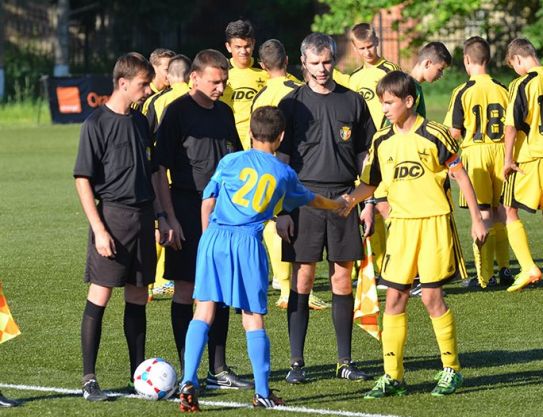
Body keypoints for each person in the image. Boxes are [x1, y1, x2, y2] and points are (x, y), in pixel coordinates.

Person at [178, 106, 349, 412]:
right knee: (252, 316)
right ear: (281, 137)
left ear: (250, 134)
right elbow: (310, 198)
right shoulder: (283, 173)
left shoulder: (230, 161)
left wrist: (207, 239)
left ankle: (188, 380)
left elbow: (209, 198)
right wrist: (335, 204)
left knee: (203, 311)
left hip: (215, 237)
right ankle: (261, 392)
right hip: (246, 242)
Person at [342, 70, 487, 398]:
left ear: (409, 101)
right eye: (381, 103)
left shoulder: (435, 134)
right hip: (402, 228)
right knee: (394, 298)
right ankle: (393, 376)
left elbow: (461, 177)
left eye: (390, 102)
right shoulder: (381, 140)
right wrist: (350, 202)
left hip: (434, 222)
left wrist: (477, 219)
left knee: (433, 297)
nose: (384, 109)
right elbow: (370, 183)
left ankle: (452, 369)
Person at [73, 52, 175, 401]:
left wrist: (163, 216)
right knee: (99, 298)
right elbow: (83, 180)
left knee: (137, 298)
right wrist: (100, 230)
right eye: (143, 84)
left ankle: (138, 374)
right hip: (112, 219)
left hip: (144, 218)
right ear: (123, 83)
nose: (148, 90)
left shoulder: (140, 122)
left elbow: (152, 172)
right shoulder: (95, 124)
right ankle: (89, 379)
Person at [276, 32, 375, 384]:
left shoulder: (353, 101)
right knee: (302, 278)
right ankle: (297, 363)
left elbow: (366, 155)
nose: (322, 69)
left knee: (341, 279)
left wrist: (369, 201)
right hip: (303, 200)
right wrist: (282, 210)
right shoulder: (291, 104)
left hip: (345, 201)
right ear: (303, 62)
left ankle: (344, 361)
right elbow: (281, 162)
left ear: (335, 61)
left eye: (327, 61)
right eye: (315, 63)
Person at [155, 49, 252, 390]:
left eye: (224, 81)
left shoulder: (225, 112)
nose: (220, 87)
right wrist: (167, 217)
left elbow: (240, 162)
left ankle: (218, 368)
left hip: (224, 212)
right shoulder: (176, 111)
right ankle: (188, 369)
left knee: (220, 288)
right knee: (186, 288)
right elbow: (159, 167)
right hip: (185, 207)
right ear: (194, 78)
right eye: (215, 81)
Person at [251, 38, 329, 311]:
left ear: (262, 66)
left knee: (271, 221)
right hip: (295, 167)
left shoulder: (260, 96)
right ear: (287, 60)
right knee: (292, 223)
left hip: (261, 165)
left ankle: (282, 284)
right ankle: (290, 287)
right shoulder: (298, 91)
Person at [444, 36, 511, 288]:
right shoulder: (503, 88)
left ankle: (484, 276)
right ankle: (505, 269)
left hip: (477, 154)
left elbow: (454, 132)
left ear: (466, 61)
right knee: (501, 211)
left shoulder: (462, 91)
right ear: (489, 60)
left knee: (482, 213)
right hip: (501, 152)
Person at [348, 23, 401, 278]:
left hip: (390, 147)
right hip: (365, 151)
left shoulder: (391, 71)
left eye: (370, 46)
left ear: (377, 42)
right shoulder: (354, 79)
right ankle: (378, 268)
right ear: (355, 48)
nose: (368, 52)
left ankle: (399, 264)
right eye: (362, 48)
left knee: (389, 207)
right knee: (371, 208)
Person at [145, 54, 192, 300]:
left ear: (170, 75)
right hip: (188, 178)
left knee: (159, 226)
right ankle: (176, 279)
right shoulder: (196, 99)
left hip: (161, 175)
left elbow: (146, 137)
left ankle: (152, 280)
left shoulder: (155, 101)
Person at [502, 37, 543, 291]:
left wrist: (507, 159)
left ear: (518, 59)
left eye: (512, 65)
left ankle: (529, 268)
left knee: (509, 210)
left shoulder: (522, 83)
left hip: (531, 157)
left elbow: (511, 126)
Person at [221, 19, 269, 150]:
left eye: (247, 46)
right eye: (238, 47)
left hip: (259, 142)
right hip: (228, 142)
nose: (243, 51)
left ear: (253, 44)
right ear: (228, 47)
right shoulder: (220, 72)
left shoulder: (265, 70)